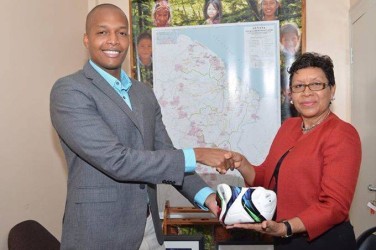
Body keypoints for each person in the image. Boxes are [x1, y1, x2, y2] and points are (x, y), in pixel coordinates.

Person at [50, 4, 233, 249]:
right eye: (102, 32)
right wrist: (197, 154)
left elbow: (165, 154)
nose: (113, 41)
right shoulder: (70, 91)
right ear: (86, 39)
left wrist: (208, 198)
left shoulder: (143, 93)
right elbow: (117, 160)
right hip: (99, 234)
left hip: (148, 229)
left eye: (122, 32)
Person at [225, 52, 362, 250]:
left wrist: (285, 227)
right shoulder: (288, 127)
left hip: (324, 242)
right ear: (291, 94)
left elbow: (335, 206)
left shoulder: (342, 133)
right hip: (285, 238)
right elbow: (266, 179)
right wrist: (242, 164)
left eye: (316, 84)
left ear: (332, 90)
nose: (307, 92)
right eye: (299, 86)